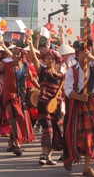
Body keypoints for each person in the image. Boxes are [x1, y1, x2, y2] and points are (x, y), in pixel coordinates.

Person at [62, 41, 94, 177]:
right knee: (73, 134)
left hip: (92, 103)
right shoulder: (72, 70)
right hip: (77, 106)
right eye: (82, 51)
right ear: (77, 54)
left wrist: (92, 57)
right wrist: (78, 96)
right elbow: (67, 88)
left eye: (86, 51)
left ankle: (86, 167)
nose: (85, 53)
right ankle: (69, 157)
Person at [27, 34, 64, 166]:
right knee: (47, 129)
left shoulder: (61, 75)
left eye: (51, 59)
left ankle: (48, 156)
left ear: (55, 61)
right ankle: (42, 155)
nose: (49, 60)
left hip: (57, 106)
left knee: (54, 131)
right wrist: (31, 44)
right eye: (47, 58)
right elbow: (35, 59)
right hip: (43, 104)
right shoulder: (42, 71)